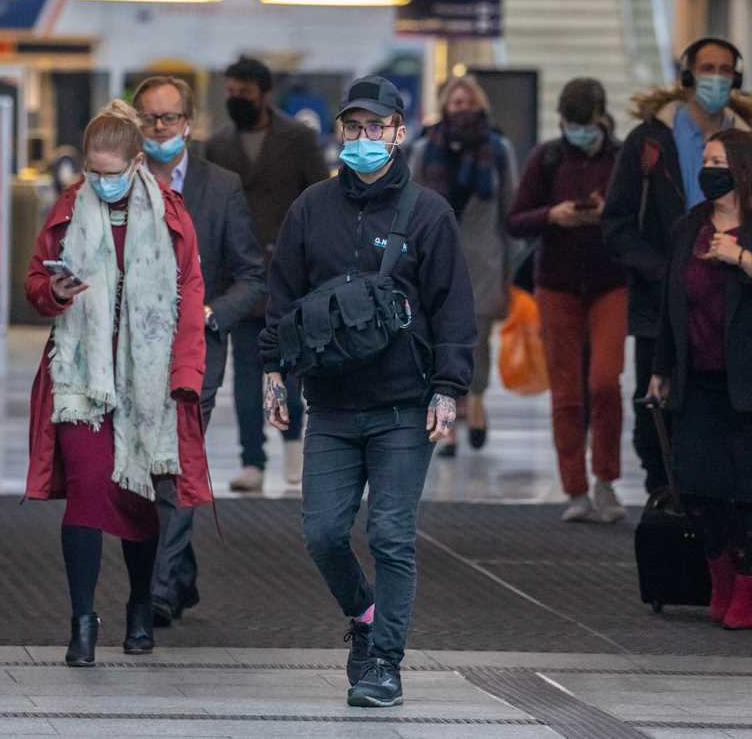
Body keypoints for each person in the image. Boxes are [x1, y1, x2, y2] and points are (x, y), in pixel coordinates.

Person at [260, 76, 475, 708]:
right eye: (352, 128)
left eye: (374, 128)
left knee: (390, 534)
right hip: (330, 403)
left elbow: (453, 308)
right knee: (323, 533)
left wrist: (448, 389)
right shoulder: (310, 208)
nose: (362, 138)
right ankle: (364, 616)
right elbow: (284, 296)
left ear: (399, 133)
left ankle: (384, 660)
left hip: (403, 406)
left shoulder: (429, 213)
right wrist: (274, 370)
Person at [24, 100, 210, 668]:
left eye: (112, 172)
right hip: (82, 381)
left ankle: (136, 605)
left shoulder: (171, 216)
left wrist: (185, 378)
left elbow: (190, 300)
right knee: (85, 490)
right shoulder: (66, 209)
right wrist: (53, 293)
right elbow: (36, 282)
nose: (101, 183)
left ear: (136, 164)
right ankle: (82, 621)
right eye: (92, 172)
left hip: (146, 380)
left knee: (136, 497)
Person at [647, 129, 752, 631]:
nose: (709, 168)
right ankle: (719, 575)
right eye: (707, 159)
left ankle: (747, 586)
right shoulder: (690, 226)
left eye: (719, 160)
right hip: (700, 384)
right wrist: (660, 369)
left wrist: (744, 261)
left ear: (744, 169)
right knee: (698, 490)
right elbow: (671, 306)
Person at [602, 38, 752, 496]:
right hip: (662, 299)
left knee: (719, 402)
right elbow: (617, 224)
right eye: (707, 68)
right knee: (657, 401)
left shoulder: (748, 143)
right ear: (687, 75)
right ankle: (665, 490)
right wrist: (662, 270)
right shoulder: (649, 141)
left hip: (734, 296)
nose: (716, 78)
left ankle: (712, 496)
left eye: (725, 70)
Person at [132, 76, 265, 628]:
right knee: (141, 471)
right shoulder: (120, 180)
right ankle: (180, 575)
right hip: (134, 349)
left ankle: (158, 591)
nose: (159, 129)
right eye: (149, 119)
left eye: (169, 118)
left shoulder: (221, 186)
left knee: (176, 464)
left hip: (197, 351)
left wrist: (213, 315)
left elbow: (252, 277)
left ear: (189, 123)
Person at [204, 56, 328, 492]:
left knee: (290, 367)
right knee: (244, 371)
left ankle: (294, 448)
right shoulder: (217, 145)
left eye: (244, 92)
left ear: (264, 92)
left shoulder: (299, 139)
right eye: (231, 91)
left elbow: (320, 199)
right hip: (235, 277)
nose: (236, 99)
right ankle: (251, 459)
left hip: (288, 273)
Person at [508, 78, 627, 523]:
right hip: (556, 284)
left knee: (604, 382)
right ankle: (575, 488)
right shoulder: (548, 156)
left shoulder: (620, 158)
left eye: (584, 123)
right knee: (566, 392)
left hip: (610, 281)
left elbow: (636, 215)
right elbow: (516, 220)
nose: (577, 130)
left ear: (601, 116)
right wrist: (552, 215)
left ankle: (607, 481)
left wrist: (605, 213)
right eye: (569, 123)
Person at [408, 75, 517, 456]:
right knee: (442, 340)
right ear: (445, 106)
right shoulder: (425, 150)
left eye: (469, 102)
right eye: (456, 103)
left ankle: (478, 401)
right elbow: (413, 209)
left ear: (481, 105)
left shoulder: (499, 149)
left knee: (478, 341)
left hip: (484, 258)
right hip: (437, 259)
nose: (463, 108)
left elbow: (510, 209)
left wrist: (510, 268)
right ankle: (449, 417)